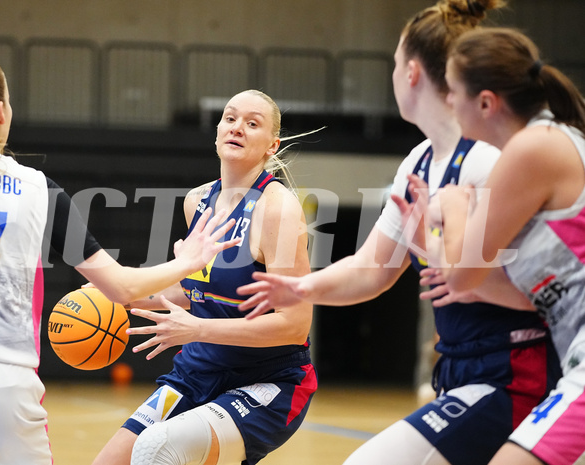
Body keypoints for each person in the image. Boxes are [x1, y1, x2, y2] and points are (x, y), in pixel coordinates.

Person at [237, 2, 562, 465]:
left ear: (411, 73)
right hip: (463, 369)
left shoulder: (488, 160)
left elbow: (535, 290)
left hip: (516, 371)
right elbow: (372, 268)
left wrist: (444, 259)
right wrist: (301, 287)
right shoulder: (421, 160)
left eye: (393, 64)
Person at [0, 54, 239, 465]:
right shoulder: (39, 190)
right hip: (4, 386)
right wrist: (189, 261)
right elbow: (122, 288)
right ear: (1, 111)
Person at [91, 89, 316, 465]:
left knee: (157, 450)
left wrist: (197, 329)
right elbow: (193, 290)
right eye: (230, 118)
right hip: (197, 373)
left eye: (252, 123)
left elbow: (294, 325)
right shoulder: (197, 201)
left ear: (271, 146)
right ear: (217, 132)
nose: (237, 127)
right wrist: (118, 294)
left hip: (268, 381)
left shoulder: (277, 209)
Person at [403, 27, 585, 465]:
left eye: (453, 91)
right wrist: (436, 239)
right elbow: (469, 278)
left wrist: (452, 208)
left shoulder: (531, 149)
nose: (447, 101)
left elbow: (464, 275)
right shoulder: (546, 143)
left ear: (485, 102)